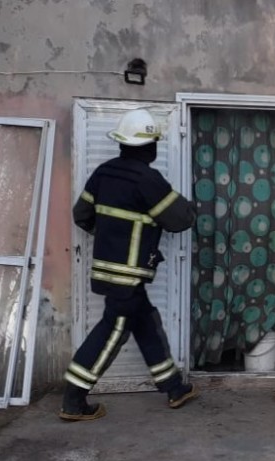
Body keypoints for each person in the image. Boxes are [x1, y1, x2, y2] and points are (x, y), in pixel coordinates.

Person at [60, 108, 198, 421]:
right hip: (130, 274)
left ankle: (174, 387)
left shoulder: (103, 173)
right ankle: (74, 397)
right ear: (149, 147)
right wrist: (192, 206)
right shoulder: (147, 179)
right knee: (113, 331)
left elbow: (82, 215)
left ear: (122, 143)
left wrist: (109, 236)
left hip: (108, 270)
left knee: (146, 322)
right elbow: (180, 220)